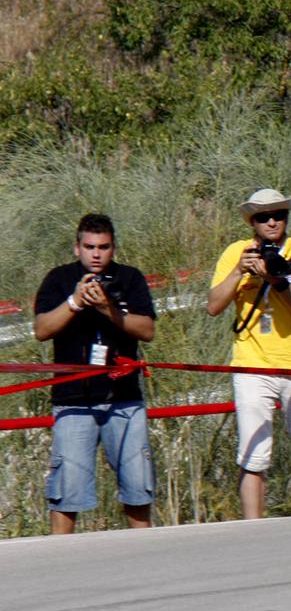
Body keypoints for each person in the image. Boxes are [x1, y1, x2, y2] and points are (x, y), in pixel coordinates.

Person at [206, 188, 291, 519]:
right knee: (253, 456)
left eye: (279, 214)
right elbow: (214, 306)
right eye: (263, 216)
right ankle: (253, 531)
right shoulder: (236, 252)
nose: (272, 221)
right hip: (252, 366)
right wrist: (238, 272)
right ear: (252, 221)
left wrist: (280, 282)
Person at [34, 213, 157, 534]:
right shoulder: (59, 279)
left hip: (124, 400)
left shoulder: (129, 279)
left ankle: (146, 559)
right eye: (89, 247)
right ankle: (59, 563)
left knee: (137, 488)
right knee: (66, 494)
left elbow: (146, 330)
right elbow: (42, 329)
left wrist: (106, 308)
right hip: (73, 402)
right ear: (77, 248)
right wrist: (75, 301)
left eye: (103, 247)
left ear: (113, 248)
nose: (96, 254)